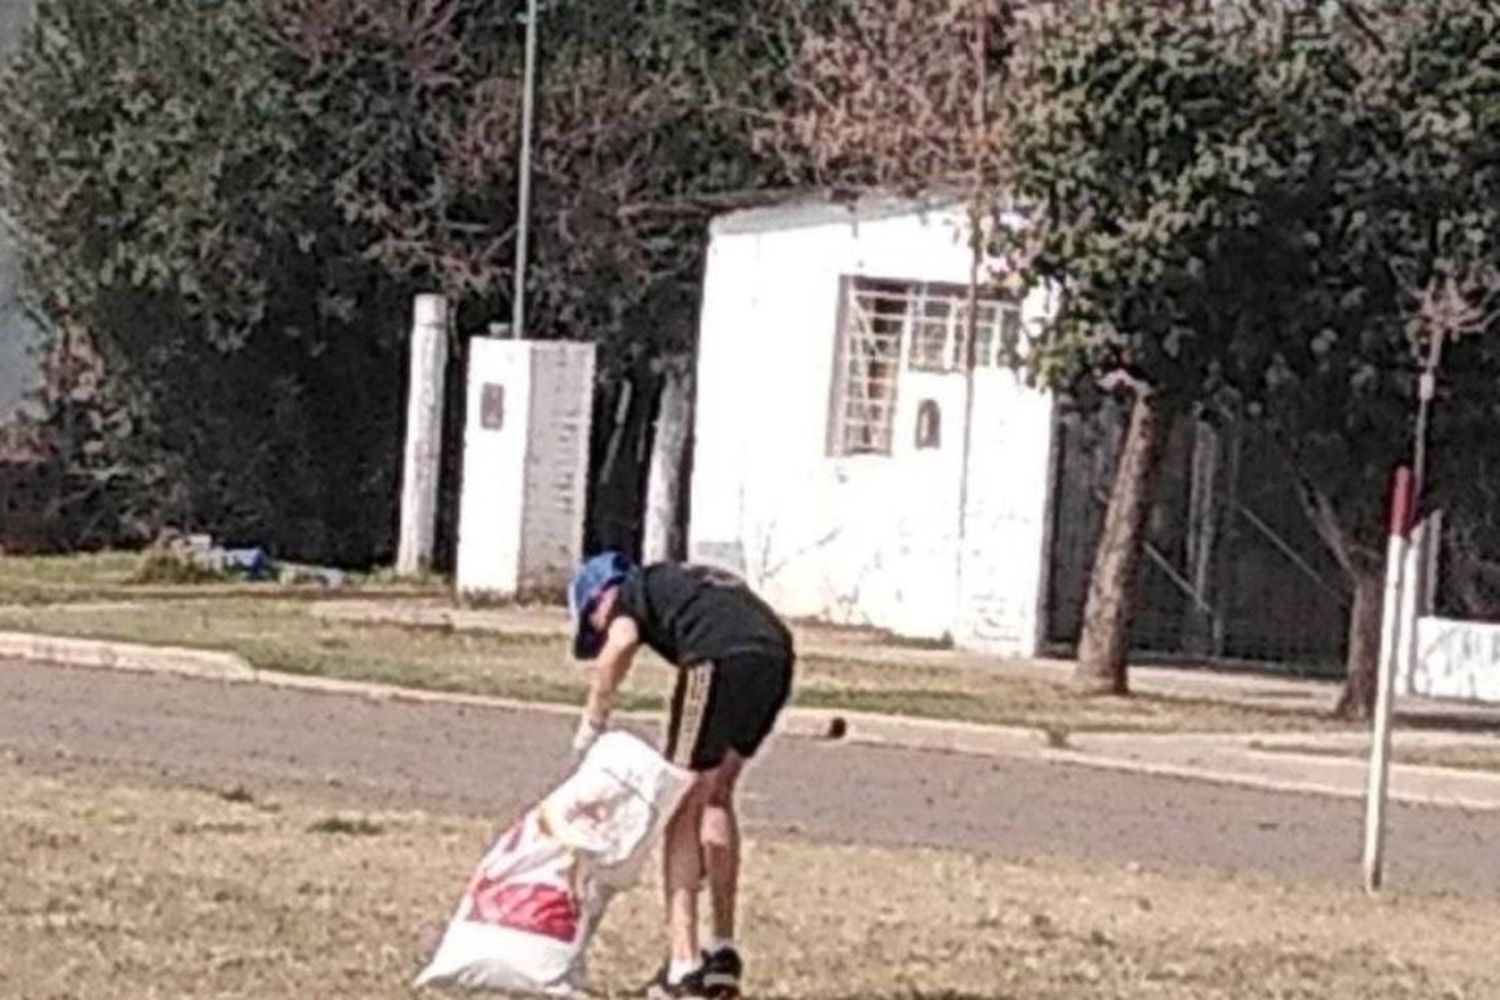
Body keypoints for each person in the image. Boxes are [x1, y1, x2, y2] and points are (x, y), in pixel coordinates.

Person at [568, 551, 795, 1000]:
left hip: (716, 658)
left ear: (600, 599)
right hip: (775, 657)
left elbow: (621, 647)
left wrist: (591, 724)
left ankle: (684, 966)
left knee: (679, 804)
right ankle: (723, 953)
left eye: (592, 624)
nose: (598, 633)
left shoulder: (630, 596)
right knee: (717, 796)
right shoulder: (685, 581)